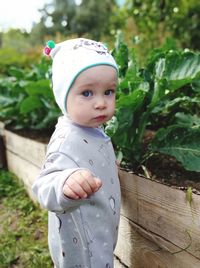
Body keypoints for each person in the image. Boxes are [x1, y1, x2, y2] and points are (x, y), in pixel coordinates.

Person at [32, 38, 121, 268]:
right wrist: (65, 182)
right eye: (88, 93)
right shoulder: (66, 140)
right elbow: (43, 186)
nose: (101, 103)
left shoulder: (92, 129)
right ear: (64, 96)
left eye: (109, 91)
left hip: (99, 230)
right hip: (81, 246)